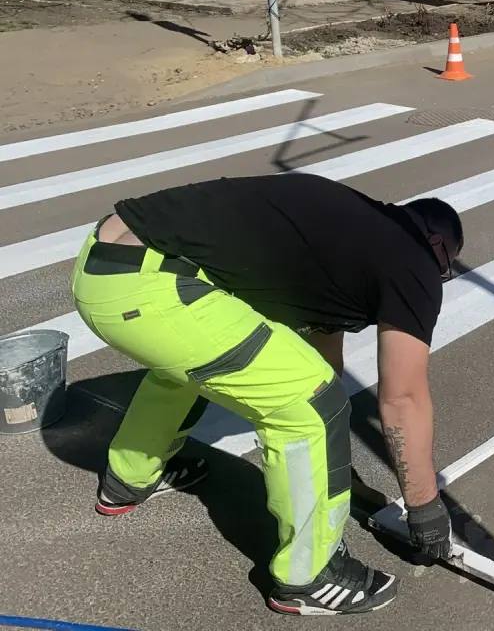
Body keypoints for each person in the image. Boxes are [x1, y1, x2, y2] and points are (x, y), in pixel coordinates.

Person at [69, 172, 462, 615]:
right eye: (444, 271)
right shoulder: (414, 262)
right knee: (312, 408)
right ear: (437, 247)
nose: (437, 280)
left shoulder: (354, 230)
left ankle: (129, 478)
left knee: (189, 368)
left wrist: (330, 465)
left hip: (103, 262)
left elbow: (320, 349)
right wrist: (424, 508)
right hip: (148, 291)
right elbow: (402, 400)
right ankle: (309, 577)